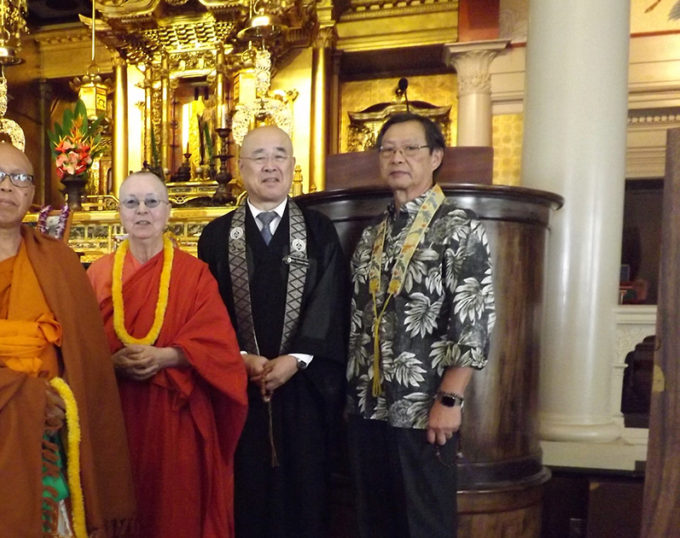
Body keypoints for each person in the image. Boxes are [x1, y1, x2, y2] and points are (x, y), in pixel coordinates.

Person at [0, 141, 135, 537]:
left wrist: (64, 402)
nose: (6, 188)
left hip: (56, 430)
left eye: (19, 179)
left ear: (32, 195)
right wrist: (29, 398)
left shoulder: (61, 263)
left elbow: (89, 362)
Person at [345, 112, 495, 538]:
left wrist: (450, 399)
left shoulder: (458, 227)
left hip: (424, 409)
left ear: (435, 157)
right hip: (368, 406)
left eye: (410, 148)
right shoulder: (373, 233)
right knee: (375, 522)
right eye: (388, 149)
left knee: (424, 524)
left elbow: (474, 320)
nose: (398, 157)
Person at [198, 125, 349, 538]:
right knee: (245, 495)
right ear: (241, 168)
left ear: (293, 165)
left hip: (304, 390)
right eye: (259, 157)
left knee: (303, 496)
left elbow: (330, 300)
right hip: (238, 386)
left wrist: (296, 359)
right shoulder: (214, 236)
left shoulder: (318, 231)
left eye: (280, 155)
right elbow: (207, 310)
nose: (270, 166)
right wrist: (240, 358)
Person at [87, 172, 249, 538]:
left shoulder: (195, 275)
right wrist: (110, 364)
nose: (142, 211)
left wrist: (167, 357)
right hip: (117, 413)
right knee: (121, 506)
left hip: (176, 415)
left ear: (168, 211)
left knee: (174, 512)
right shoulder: (97, 274)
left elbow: (219, 346)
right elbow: (80, 347)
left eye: (152, 202)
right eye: (131, 203)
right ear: (120, 213)